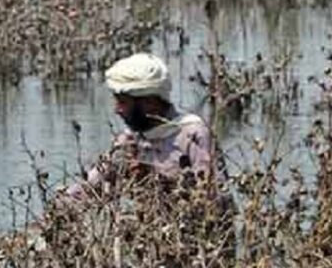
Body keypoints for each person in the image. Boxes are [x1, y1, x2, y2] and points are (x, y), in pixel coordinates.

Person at [67, 52, 220, 198]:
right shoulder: (128, 141)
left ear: (149, 102)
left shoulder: (194, 135)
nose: (117, 110)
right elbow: (88, 191)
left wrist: (156, 180)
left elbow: (216, 202)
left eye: (123, 102)